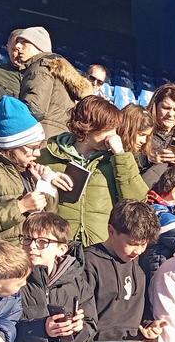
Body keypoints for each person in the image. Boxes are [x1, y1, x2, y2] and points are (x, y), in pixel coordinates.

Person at [0, 213, 97, 342]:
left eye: (42, 242)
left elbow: (90, 331)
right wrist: (42, 330)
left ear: (62, 249)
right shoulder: (7, 279)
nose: (32, 246)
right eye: (27, 240)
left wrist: (77, 330)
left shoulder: (78, 283)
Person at [38, 95, 148, 246]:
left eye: (115, 129)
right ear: (89, 126)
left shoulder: (116, 160)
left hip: (97, 247)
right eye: (109, 129)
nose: (113, 135)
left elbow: (137, 199)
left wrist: (121, 156)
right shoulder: (49, 153)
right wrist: (46, 178)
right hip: (57, 242)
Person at [78, 200, 161, 342]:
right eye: (131, 243)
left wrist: (148, 327)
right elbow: (82, 325)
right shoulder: (89, 263)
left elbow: (137, 312)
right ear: (111, 231)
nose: (138, 251)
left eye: (143, 244)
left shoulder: (139, 266)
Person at [0, 97, 66, 244]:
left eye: (39, 146)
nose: (38, 154)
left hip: (28, 253)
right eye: (33, 148)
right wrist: (21, 206)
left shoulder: (26, 170)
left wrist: (44, 184)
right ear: (12, 145)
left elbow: (49, 219)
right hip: (0, 257)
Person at [15, 27, 93, 138]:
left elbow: (35, 109)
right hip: (58, 137)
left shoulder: (41, 67)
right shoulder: (56, 69)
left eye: (24, 42)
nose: (17, 46)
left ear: (38, 46)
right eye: (17, 42)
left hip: (40, 138)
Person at [0, 29, 25, 98]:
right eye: (15, 49)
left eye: (24, 49)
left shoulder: (41, 75)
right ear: (8, 48)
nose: (19, 54)